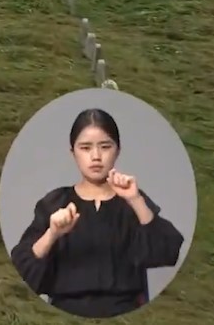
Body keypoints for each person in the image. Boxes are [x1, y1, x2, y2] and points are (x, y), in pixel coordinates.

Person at [10, 108, 185, 318]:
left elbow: (168, 252)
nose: (96, 156)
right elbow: (21, 270)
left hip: (126, 312)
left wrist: (135, 200)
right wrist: (52, 233)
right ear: (72, 152)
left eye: (105, 146)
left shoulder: (133, 200)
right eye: (85, 147)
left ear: (118, 150)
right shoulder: (55, 203)